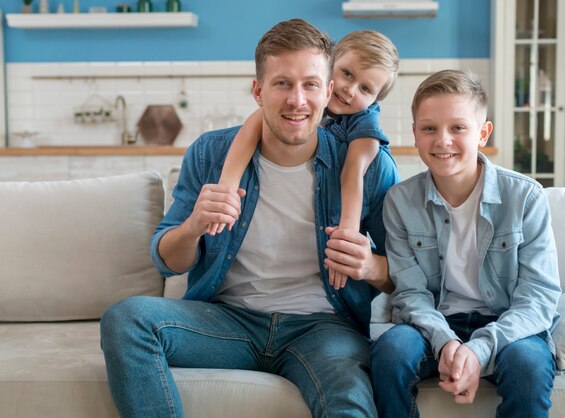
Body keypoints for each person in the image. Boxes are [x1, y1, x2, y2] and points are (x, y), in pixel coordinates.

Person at [100, 18, 399, 418]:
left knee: (348, 398)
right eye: (282, 84)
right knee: (126, 319)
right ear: (258, 90)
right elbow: (166, 260)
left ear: (327, 91)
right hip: (225, 322)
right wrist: (193, 227)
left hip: (324, 328)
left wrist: (372, 265)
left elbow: (406, 274)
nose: (297, 100)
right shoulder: (210, 153)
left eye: (310, 84)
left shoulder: (371, 167)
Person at [370, 69, 561, 418]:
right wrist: (446, 343)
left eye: (458, 127)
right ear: (415, 134)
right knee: (390, 352)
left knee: (528, 367)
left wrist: (479, 349)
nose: (443, 140)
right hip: (433, 322)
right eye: (429, 128)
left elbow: (538, 298)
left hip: (507, 323)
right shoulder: (400, 201)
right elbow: (410, 293)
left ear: (483, 133)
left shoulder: (526, 197)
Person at [211, 29, 399, 290]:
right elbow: (252, 127)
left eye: (365, 88)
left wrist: (347, 234)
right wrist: (227, 188)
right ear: (330, 65)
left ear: (374, 100)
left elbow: (353, 172)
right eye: (346, 73)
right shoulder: (303, 99)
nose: (349, 90)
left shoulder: (363, 126)